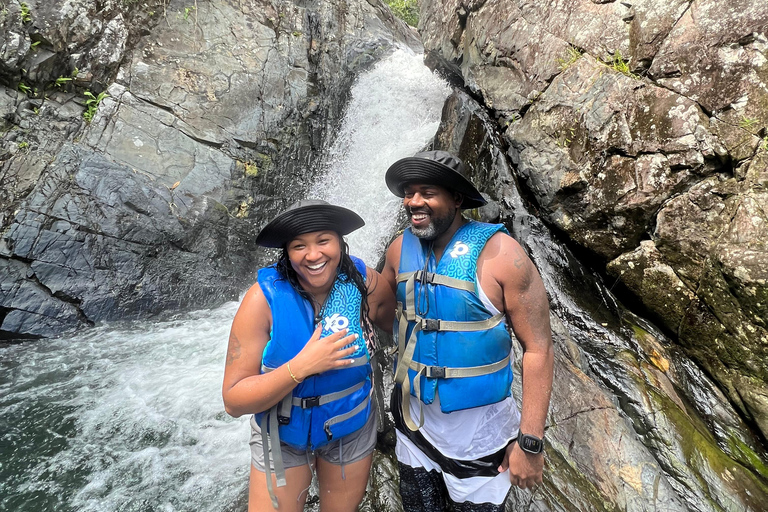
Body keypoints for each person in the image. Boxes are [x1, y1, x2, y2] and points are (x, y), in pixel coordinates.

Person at [380, 150, 554, 511]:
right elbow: (383, 314)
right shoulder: (399, 248)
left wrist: (531, 443)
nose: (413, 201)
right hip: (413, 428)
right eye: (409, 192)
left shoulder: (503, 255)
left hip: (481, 440)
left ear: (457, 199)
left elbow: (539, 349)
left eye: (427, 191)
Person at [222, 199, 395, 512]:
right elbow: (234, 401)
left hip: (349, 423)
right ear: (287, 253)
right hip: (283, 431)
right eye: (299, 245)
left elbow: (395, 325)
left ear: (341, 244)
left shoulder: (365, 282)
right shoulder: (262, 299)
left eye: (323, 241)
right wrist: (300, 367)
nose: (313, 255)